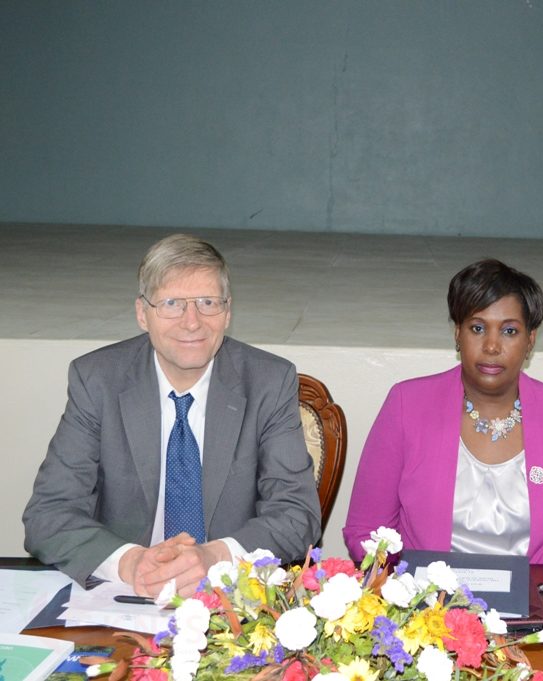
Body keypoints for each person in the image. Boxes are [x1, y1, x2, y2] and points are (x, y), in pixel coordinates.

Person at [23, 234, 321, 596]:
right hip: (123, 595)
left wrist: (213, 557)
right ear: (142, 313)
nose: (192, 322)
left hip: (228, 598)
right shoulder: (98, 380)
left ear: (228, 312)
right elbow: (48, 514)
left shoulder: (268, 382)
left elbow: (296, 515)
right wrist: (131, 562)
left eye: (208, 302)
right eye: (172, 304)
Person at [344, 259, 543, 564]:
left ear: (530, 340)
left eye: (509, 331)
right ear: (457, 333)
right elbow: (367, 530)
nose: (491, 346)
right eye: (477, 328)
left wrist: (539, 586)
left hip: (533, 591)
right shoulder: (406, 405)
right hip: (427, 592)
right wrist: (411, 583)